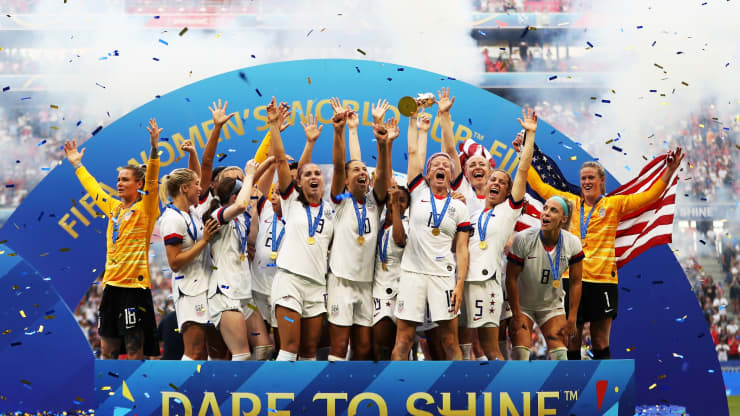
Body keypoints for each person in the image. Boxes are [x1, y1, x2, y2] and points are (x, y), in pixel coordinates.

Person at [523, 137, 684, 359]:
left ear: (601, 180)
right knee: (572, 338)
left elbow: (649, 197)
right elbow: (540, 187)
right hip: (571, 280)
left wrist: (669, 170)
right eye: (583, 178)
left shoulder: (614, 205)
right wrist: (523, 154)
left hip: (603, 282)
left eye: (591, 177)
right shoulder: (569, 203)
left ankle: (605, 383)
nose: (586, 181)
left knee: (600, 340)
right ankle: (574, 381)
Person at [63, 119, 162, 360]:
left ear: (139, 184)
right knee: (107, 351)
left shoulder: (146, 209)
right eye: (118, 179)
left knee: (135, 351)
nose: (119, 183)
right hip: (111, 288)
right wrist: (77, 165)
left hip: (134, 289)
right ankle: (109, 386)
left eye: (125, 180)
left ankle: (135, 386)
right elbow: (94, 189)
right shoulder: (113, 208)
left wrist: (154, 148)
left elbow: (152, 179)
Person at [391, 93, 473, 361]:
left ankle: (460, 386)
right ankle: (395, 386)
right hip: (412, 273)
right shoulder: (418, 192)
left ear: (451, 174)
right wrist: (415, 120)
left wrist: (460, 284)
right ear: (427, 174)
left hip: (443, 275)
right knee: (404, 340)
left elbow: (462, 249)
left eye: (445, 165)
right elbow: (414, 152)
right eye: (435, 165)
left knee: (450, 341)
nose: (441, 166)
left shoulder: (460, 206)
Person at [462, 108, 538, 360]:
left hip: (487, 283)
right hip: (464, 282)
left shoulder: (507, 211)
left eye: (502, 182)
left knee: (491, 348)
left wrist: (529, 136)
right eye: (492, 179)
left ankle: (506, 384)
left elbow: (523, 171)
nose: (495, 183)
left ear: (508, 192)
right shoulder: (473, 216)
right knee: (464, 346)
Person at [266, 97, 335, 361]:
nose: (313, 176)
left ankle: (304, 392)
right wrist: (274, 126)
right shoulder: (291, 201)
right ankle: (278, 389)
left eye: (317, 173)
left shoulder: (331, 210)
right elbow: (281, 161)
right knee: (289, 348)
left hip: (317, 285)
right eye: (307, 174)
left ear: (323, 181)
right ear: (299, 182)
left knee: (308, 352)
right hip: (289, 281)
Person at [326, 97, 391, 361]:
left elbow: (383, 175)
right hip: (340, 280)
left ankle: (355, 386)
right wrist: (339, 131)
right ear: (345, 178)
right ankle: (333, 386)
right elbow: (340, 165)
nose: (362, 171)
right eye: (355, 170)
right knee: (340, 347)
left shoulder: (375, 201)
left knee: (364, 349)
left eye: (364, 169)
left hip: (366, 283)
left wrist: (382, 144)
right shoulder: (340, 200)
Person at [202, 159, 275, 361]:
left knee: (264, 349)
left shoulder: (241, 218)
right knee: (241, 355)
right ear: (234, 196)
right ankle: (231, 382)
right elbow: (242, 204)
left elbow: (252, 237)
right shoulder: (217, 215)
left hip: (243, 291)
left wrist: (270, 161)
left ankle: (251, 380)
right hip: (225, 292)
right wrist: (249, 175)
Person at [506, 195, 584, 361]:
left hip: (551, 306)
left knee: (561, 355)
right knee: (520, 353)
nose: (546, 213)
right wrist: (516, 314)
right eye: (545, 208)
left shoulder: (573, 243)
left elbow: (576, 282)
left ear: (563, 219)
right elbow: (510, 278)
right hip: (523, 305)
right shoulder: (523, 239)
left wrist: (572, 317)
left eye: (553, 210)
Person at [160, 167, 220, 360]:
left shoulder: (192, 212)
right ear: (184, 188)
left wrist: (193, 153)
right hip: (189, 290)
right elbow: (174, 263)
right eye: (196, 184)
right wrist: (204, 241)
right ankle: (179, 380)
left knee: (209, 351)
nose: (200, 188)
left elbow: (203, 167)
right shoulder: (172, 219)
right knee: (194, 351)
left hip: (205, 285)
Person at [372, 183, 410, 361]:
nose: (397, 203)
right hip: (377, 290)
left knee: (397, 347)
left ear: (408, 205)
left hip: (398, 292)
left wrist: (394, 206)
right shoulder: (378, 224)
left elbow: (399, 239)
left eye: (402, 200)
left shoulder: (407, 224)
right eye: (394, 199)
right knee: (377, 347)